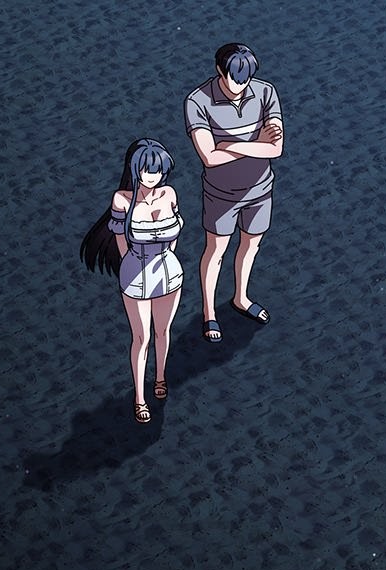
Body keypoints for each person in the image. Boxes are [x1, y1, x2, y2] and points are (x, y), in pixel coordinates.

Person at [184, 43, 283, 342]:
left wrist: (229, 146)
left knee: (251, 245)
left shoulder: (266, 92)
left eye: (246, 79)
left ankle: (241, 297)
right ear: (219, 71)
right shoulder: (198, 101)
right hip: (221, 193)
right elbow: (209, 158)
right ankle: (209, 312)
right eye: (235, 78)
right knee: (216, 251)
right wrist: (254, 144)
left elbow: (275, 148)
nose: (241, 86)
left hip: (260, 189)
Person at [80, 139, 184, 423]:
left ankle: (160, 377)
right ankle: (139, 397)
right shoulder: (121, 199)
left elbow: (174, 234)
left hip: (169, 271)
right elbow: (121, 242)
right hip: (136, 274)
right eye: (148, 170)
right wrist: (133, 266)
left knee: (163, 331)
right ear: (135, 169)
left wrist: (166, 257)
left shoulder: (169, 194)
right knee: (141, 337)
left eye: (158, 171)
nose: (153, 177)